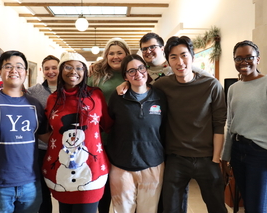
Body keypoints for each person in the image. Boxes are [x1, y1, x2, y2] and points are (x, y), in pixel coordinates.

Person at [0, 50, 50, 212]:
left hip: (30, 184)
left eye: (19, 66)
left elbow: (47, 137)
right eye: (8, 66)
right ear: (0, 71)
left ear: (25, 73)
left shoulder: (34, 104)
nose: (14, 70)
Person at [153, 36, 227, 213]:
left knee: (217, 207)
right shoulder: (162, 86)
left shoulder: (211, 85)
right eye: (173, 57)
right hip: (176, 158)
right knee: (171, 208)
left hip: (207, 158)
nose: (180, 62)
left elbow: (219, 124)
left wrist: (216, 159)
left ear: (193, 57)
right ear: (168, 61)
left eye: (184, 55)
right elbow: (141, 90)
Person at [221, 40, 267, 213]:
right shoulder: (234, 89)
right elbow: (230, 124)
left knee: (257, 208)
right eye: (239, 58)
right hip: (238, 151)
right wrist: (225, 157)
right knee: (248, 206)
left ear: (258, 59)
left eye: (249, 57)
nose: (244, 62)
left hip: (261, 155)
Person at [42, 52, 112, 213]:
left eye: (79, 68)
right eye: (68, 67)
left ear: (85, 72)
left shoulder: (95, 95)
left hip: (91, 171)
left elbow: (108, 125)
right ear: (61, 71)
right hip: (61, 173)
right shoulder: (53, 99)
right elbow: (46, 131)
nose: (74, 71)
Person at [107, 54, 167, 213]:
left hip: (152, 164)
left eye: (141, 68)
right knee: (122, 210)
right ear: (125, 76)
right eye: (131, 71)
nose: (138, 74)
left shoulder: (159, 96)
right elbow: (109, 124)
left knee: (148, 210)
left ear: (146, 69)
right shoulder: (118, 96)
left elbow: (165, 128)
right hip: (122, 166)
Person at [88, 37, 131, 213]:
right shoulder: (96, 76)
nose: (115, 56)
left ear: (127, 54)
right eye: (111, 53)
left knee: (123, 183)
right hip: (100, 137)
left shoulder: (133, 72)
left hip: (125, 137)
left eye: (119, 53)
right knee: (102, 182)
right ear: (105, 56)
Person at [27, 55, 60, 213]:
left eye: (54, 68)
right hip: (41, 148)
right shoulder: (33, 92)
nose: (51, 71)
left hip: (64, 148)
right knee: (43, 190)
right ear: (42, 70)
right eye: (47, 68)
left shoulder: (69, 90)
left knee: (63, 188)